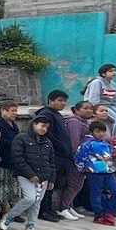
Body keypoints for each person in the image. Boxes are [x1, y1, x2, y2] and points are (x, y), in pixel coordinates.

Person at [1, 116, 55, 230]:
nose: (44, 129)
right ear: (33, 125)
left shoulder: (47, 142)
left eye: (46, 127)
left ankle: (31, 224)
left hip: (43, 177)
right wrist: (30, 174)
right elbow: (18, 158)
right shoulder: (21, 138)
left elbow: (51, 161)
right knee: (30, 198)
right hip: (25, 175)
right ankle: (10, 216)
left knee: (37, 201)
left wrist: (51, 178)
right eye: (42, 126)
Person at [32, 90, 73, 223]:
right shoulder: (46, 114)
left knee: (52, 184)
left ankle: (49, 209)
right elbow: (46, 134)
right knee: (46, 185)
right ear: (51, 101)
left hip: (61, 156)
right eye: (60, 100)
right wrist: (60, 146)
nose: (63, 103)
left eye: (64, 101)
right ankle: (43, 211)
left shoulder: (57, 115)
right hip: (52, 154)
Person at [75, 122, 116, 226]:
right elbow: (80, 157)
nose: (101, 134)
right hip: (94, 172)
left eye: (103, 131)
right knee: (96, 194)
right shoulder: (87, 144)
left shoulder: (106, 144)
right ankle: (99, 215)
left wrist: (115, 152)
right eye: (98, 131)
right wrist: (82, 169)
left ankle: (110, 212)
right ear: (92, 132)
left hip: (108, 171)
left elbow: (111, 157)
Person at [56, 101, 95, 218]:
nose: (89, 110)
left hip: (83, 158)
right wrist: (78, 159)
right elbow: (74, 143)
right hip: (75, 159)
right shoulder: (74, 122)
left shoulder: (85, 122)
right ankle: (63, 208)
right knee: (74, 184)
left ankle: (69, 206)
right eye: (85, 108)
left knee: (78, 184)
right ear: (77, 110)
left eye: (90, 108)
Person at [0, 101, 21, 219]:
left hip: (13, 160)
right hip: (1, 160)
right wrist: (14, 143)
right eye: (12, 110)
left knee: (13, 187)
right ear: (3, 111)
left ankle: (14, 210)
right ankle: (4, 210)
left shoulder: (14, 125)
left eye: (16, 111)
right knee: (1, 186)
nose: (15, 113)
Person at [83, 64, 116, 139]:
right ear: (103, 74)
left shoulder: (113, 84)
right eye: (111, 71)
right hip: (99, 106)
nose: (114, 73)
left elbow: (115, 100)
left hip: (110, 106)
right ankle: (114, 140)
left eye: (115, 71)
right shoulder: (97, 82)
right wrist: (98, 110)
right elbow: (93, 100)